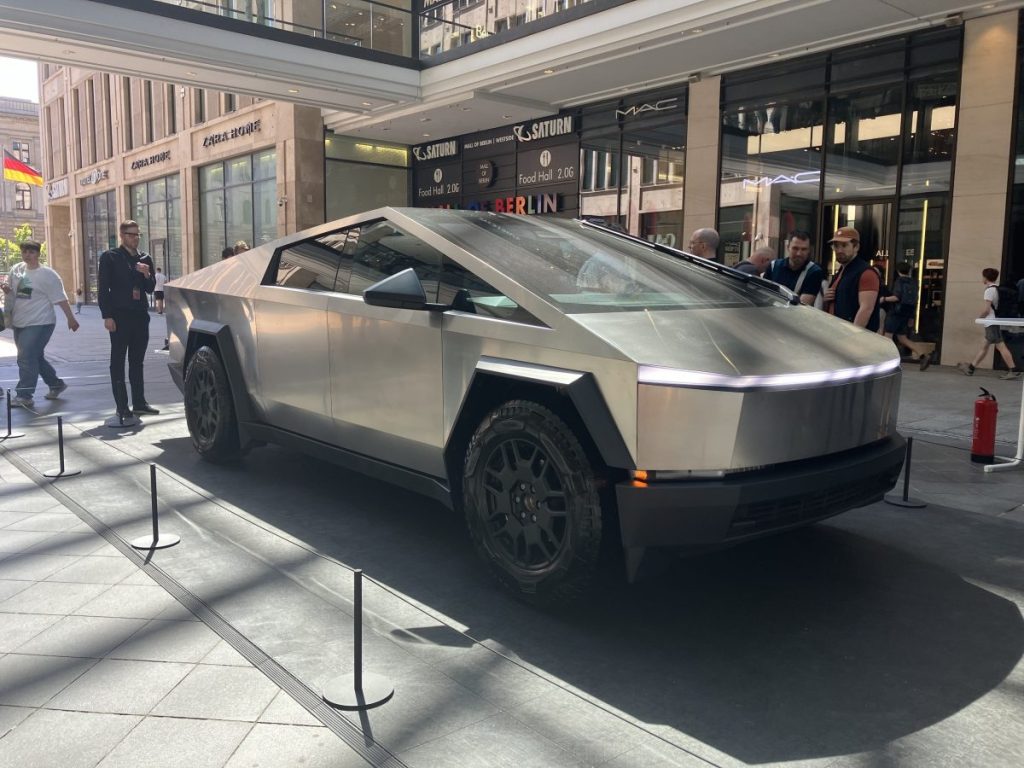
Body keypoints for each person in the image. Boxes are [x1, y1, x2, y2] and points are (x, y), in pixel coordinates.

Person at [0, 241, 80, 408]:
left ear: (38, 254)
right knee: (35, 356)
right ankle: (56, 384)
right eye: (24, 252)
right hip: (20, 322)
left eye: (31, 252)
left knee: (25, 357)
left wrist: (71, 319)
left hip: (41, 322)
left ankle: (24, 395)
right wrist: (8, 292)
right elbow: (16, 295)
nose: (27, 255)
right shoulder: (17, 270)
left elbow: (61, 298)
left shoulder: (47, 274)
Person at [98, 220, 159, 422]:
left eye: (137, 234)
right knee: (117, 360)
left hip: (140, 315)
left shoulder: (145, 258)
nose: (135, 238)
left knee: (137, 361)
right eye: (131, 234)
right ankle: (122, 406)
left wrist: (146, 273)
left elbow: (150, 288)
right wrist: (107, 315)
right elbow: (103, 288)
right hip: (119, 315)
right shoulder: (111, 257)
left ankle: (139, 402)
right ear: (122, 235)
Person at [957, 267, 1022, 380]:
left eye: (983, 276)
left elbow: (987, 310)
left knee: (1001, 346)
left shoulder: (989, 290)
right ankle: (971, 368)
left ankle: (1013, 370)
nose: (982, 278)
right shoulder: (996, 288)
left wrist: (980, 318)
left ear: (985, 278)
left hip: (991, 322)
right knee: (985, 346)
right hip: (994, 321)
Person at [822, 226, 880, 330]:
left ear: (856, 247)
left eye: (844, 245)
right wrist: (826, 300)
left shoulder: (866, 272)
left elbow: (866, 309)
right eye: (836, 246)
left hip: (854, 339)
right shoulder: (842, 271)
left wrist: (852, 336)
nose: (839, 250)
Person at [881, 261, 933, 370]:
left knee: (888, 337)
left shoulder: (899, 281)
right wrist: (912, 317)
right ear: (909, 270)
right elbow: (915, 301)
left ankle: (888, 361)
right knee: (902, 338)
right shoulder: (914, 283)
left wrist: (884, 299)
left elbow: (896, 297)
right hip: (906, 313)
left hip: (895, 312)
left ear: (898, 271)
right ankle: (923, 355)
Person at [765, 231, 825, 305]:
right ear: (788, 247)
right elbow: (763, 295)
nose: (799, 253)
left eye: (803, 249)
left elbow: (802, 306)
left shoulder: (814, 272)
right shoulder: (773, 266)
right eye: (795, 248)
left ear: (809, 250)